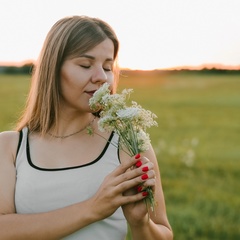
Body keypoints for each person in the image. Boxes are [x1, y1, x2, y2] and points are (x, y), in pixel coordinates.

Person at [0, 15, 173, 239]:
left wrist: (141, 223)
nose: (102, 77)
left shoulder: (128, 142)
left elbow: (164, 232)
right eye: (85, 65)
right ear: (53, 69)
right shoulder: (10, 147)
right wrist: (92, 209)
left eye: (108, 67)